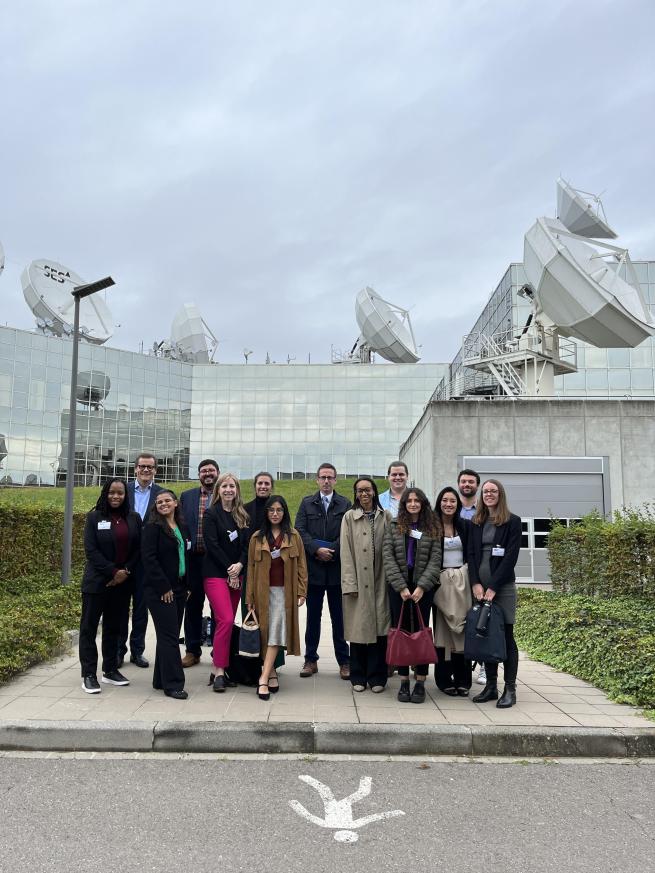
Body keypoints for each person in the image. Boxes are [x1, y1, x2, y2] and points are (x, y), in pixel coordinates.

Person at [79, 478, 142, 693]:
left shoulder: (134, 518)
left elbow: (138, 549)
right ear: (106, 493)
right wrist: (114, 571)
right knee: (89, 628)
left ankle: (110, 670)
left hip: (123, 583)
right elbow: (91, 550)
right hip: (97, 582)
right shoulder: (94, 517)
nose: (116, 496)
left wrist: (125, 572)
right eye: (112, 493)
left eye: (120, 493)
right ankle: (88, 673)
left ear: (126, 495)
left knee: (115, 628)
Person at [246, 495, 307, 700]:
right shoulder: (256, 537)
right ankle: (271, 672)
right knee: (264, 633)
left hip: (283, 592)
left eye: (279, 510)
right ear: (266, 513)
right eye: (271, 510)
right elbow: (251, 570)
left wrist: (301, 590)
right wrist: (250, 597)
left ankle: (262, 678)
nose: (275, 514)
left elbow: (301, 566)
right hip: (262, 592)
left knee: (275, 632)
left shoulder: (294, 536)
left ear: (284, 512)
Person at [383, 488, 441, 703]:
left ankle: (420, 682)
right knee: (402, 634)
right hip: (399, 588)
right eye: (410, 500)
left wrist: (422, 587)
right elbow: (387, 557)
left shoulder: (433, 527)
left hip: (421, 590)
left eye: (417, 500)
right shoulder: (394, 525)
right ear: (404, 503)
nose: (413, 504)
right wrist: (400, 587)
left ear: (423, 503)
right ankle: (404, 682)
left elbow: (436, 560)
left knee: (421, 633)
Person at [468, 478, 522, 708]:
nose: (489, 494)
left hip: (502, 589)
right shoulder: (476, 522)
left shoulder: (512, 522)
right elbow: (471, 555)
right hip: (480, 589)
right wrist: (476, 584)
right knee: (486, 636)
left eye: (493, 491)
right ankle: (491, 686)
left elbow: (510, 558)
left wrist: (493, 587)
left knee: (506, 636)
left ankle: (510, 688)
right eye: (486, 491)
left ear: (500, 495)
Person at [295, 463, 352, 679]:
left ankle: (344, 661)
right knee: (313, 618)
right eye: (322, 477)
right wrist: (316, 549)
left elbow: (348, 532)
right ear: (317, 480)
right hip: (315, 571)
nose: (326, 481)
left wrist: (332, 550)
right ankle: (310, 660)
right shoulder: (307, 503)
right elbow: (299, 529)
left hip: (337, 571)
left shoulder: (345, 503)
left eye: (330, 477)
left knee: (339, 618)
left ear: (335, 480)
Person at [340, 477, 391, 693]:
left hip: (381, 580)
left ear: (374, 492)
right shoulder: (349, 517)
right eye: (360, 490)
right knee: (358, 631)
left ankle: (378, 676)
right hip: (358, 583)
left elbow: (392, 548)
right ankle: (358, 676)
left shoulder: (385, 516)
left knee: (380, 631)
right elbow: (345, 552)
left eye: (368, 490)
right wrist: (350, 582)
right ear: (355, 494)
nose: (364, 494)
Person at [202, 472, 250, 692]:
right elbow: (212, 544)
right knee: (227, 619)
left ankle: (216, 669)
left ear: (237, 490)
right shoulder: (211, 514)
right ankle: (221, 670)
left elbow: (245, 546)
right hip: (215, 574)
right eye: (225, 486)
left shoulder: (242, 515)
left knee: (226, 624)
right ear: (218, 490)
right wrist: (230, 570)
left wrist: (239, 565)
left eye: (232, 486)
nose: (229, 490)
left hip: (236, 574)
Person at [142, 489, 190, 699]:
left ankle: (160, 679)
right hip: (161, 590)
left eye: (167, 500)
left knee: (166, 635)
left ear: (176, 503)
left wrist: (187, 586)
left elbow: (185, 557)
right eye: (159, 502)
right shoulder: (153, 528)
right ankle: (173, 684)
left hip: (179, 588)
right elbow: (149, 560)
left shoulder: (181, 526)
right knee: (170, 637)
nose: (163, 504)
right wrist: (164, 587)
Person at [117, 452, 163, 669]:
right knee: (121, 607)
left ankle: (137, 651)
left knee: (141, 608)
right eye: (142, 467)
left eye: (150, 467)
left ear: (155, 470)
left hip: (147, 561)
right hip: (124, 559)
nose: (146, 470)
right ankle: (119, 651)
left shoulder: (161, 494)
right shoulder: (123, 491)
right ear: (135, 468)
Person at [179, 458, 220, 667]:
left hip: (216, 561)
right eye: (204, 471)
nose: (207, 474)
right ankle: (192, 650)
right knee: (192, 605)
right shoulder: (186, 497)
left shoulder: (225, 495)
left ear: (217, 473)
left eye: (211, 470)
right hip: (193, 560)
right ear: (199, 474)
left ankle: (218, 652)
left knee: (218, 607)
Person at [433, 486, 473, 696]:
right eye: (445, 500)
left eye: (452, 501)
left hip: (463, 582)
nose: (448, 504)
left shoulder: (465, 526)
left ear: (457, 505)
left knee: (462, 630)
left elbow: (472, 554)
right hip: (440, 584)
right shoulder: (431, 527)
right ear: (439, 502)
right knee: (443, 633)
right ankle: (443, 679)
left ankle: (463, 679)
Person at [457, 468, 485, 685]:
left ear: (477, 485)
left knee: (480, 619)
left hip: (477, 570)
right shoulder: (452, 509)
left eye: (471, 482)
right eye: (463, 481)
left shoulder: (484, 511)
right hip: (455, 572)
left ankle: (483, 665)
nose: (467, 485)